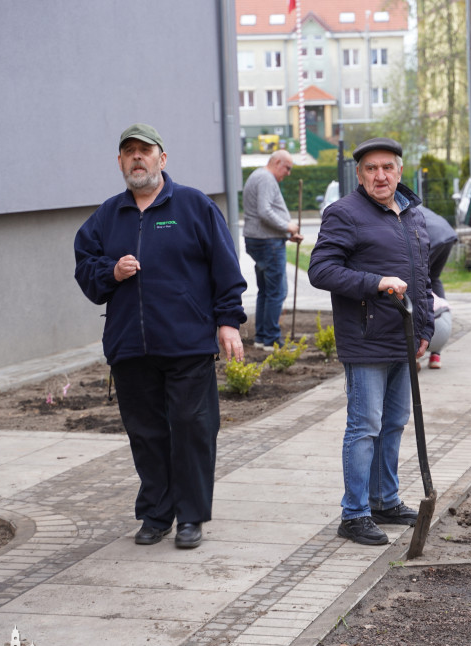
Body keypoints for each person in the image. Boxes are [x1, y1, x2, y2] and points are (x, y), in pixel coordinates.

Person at [74, 123, 247, 550]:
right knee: (146, 432)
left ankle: (190, 516)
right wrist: (110, 272)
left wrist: (228, 321)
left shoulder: (194, 206)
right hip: (130, 347)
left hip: (186, 343)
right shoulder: (107, 215)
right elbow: (84, 267)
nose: (137, 158)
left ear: (162, 159)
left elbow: (225, 268)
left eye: (145, 151)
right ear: (120, 162)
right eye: (129, 152)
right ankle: (156, 512)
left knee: (192, 428)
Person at [308, 137, 434, 546]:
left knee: (394, 424)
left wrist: (425, 329)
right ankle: (354, 513)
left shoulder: (412, 214)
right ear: (359, 174)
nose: (380, 175)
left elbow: (422, 278)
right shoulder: (344, 214)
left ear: (400, 171)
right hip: (365, 340)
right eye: (370, 169)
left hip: (403, 338)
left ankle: (384, 500)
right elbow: (321, 270)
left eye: (387, 168)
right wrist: (375, 283)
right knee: (364, 427)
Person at [242, 150, 304, 350]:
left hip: (260, 240)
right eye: (287, 168)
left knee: (266, 291)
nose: (288, 173)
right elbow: (265, 211)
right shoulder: (266, 179)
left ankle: (261, 337)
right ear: (277, 162)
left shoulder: (258, 176)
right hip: (268, 242)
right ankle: (271, 340)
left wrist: (287, 234)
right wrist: (288, 227)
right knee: (277, 291)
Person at [418, 205, 457, 369]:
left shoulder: (395, 207)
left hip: (431, 240)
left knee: (418, 285)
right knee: (433, 279)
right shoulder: (411, 203)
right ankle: (436, 354)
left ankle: (415, 351)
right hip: (447, 234)